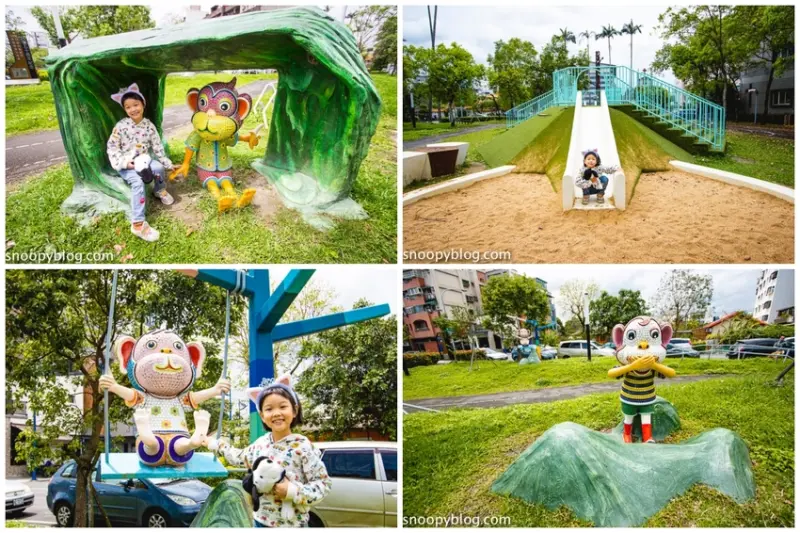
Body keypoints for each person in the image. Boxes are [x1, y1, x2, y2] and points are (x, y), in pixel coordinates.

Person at [206, 376, 331, 527]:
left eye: (283, 407)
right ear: (262, 416)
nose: (276, 413)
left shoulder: (303, 446)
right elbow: (239, 457)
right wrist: (215, 444)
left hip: (293, 525)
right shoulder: (261, 443)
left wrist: (291, 491)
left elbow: (323, 485)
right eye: (269, 409)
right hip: (259, 522)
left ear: (295, 410)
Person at [106, 83, 175, 242]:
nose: (133, 109)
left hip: (144, 161)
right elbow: (112, 147)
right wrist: (124, 163)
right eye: (128, 107)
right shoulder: (121, 126)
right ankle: (137, 223)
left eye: (136, 105)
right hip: (126, 164)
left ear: (143, 104)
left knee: (157, 168)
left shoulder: (149, 126)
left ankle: (159, 190)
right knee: (137, 182)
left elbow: (158, 147)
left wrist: (168, 164)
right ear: (125, 109)